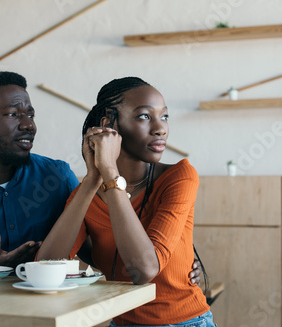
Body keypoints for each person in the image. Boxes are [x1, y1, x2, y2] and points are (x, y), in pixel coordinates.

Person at [0, 71, 202, 284]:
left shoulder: (58, 177)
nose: (29, 125)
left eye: (31, 114)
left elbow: (102, 251)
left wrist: (177, 256)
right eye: (13, 115)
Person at [37, 77, 216, 326]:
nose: (160, 128)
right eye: (144, 116)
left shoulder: (179, 177)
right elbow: (45, 268)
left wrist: (110, 173)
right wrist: (92, 180)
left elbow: (144, 270)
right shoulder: (87, 194)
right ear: (109, 124)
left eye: (164, 116)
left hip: (185, 322)